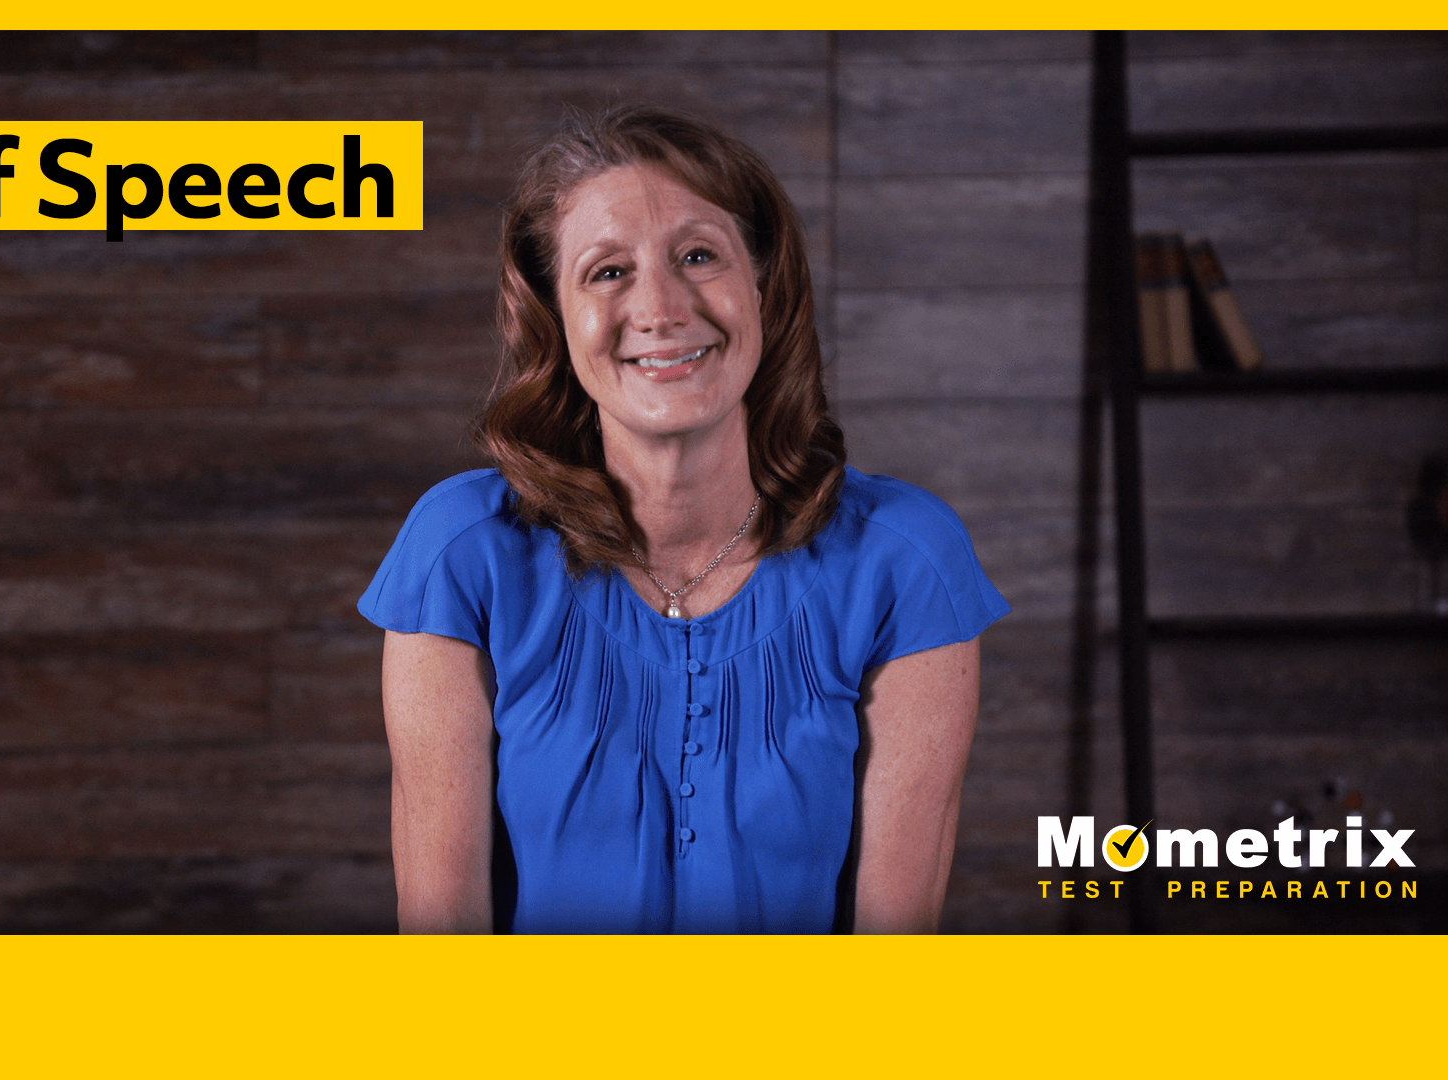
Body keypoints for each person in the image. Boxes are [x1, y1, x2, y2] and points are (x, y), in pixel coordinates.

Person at [358, 105, 1008, 933]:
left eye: (698, 256)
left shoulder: (906, 560)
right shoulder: (460, 554)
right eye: (607, 272)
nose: (660, 307)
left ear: (765, 290)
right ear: (554, 317)